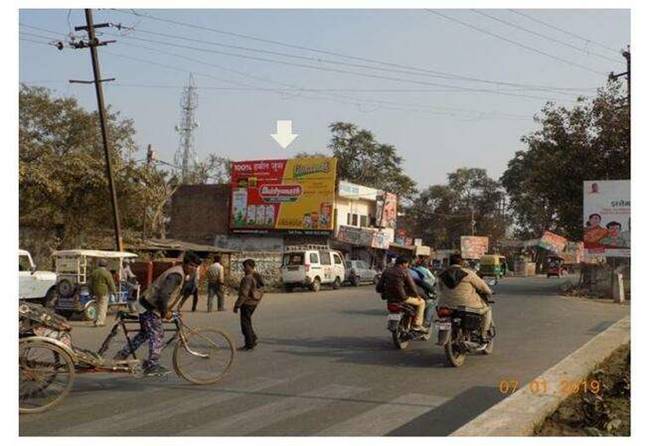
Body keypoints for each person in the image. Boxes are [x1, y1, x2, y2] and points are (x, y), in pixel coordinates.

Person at [114, 251, 201, 376]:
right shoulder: (176, 275)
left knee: (144, 334)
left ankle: (122, 354)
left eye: (196, 267)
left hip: (145, 304)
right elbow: (163, 295)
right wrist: (165, 312)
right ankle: (152, 365)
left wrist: (169, 311)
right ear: (185, 264)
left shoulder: (180, 273)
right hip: (150, 307)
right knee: (158, 334)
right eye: (191, 265)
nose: (193, 269)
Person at [437, 253, 494, 339]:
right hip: (466, 305)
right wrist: (489, 292)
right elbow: (483, 287)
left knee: (441, 319)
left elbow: (441, 289)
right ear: (462, 263)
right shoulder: (469, 273)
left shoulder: (442, 274)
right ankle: (483, 334)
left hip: (445, 305)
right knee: (487, 310)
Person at [376, 256, 427, 333]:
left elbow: (379, 287)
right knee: (422, 302)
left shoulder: (387, 271)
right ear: (403, 264)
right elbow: (412, 285)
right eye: (407, 264)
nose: (407, 265)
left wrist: (383, 292)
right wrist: (417, 295)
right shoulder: (404, 271)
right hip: (403, 298)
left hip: (390, 298)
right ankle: (417, 325)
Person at [234, 259, 265, 351]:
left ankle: (249, 344)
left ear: (249, 266)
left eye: (245, 267)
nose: (244, 269)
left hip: (247, 303)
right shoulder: (257, 276)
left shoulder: (248, 278)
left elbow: (244, 294)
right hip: (254, 302)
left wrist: (237, 305)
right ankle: (252, 338)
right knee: (247, 322)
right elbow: (262, 289)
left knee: (245, 325)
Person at [89, 259, 116, 327]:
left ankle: (95, 320)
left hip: (95, 291)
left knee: (97, 306)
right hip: (104, 292)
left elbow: (90, 283)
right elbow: (111, 283)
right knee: (103, 307)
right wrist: (114, 292)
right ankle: (100, 322)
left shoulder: (94, 272)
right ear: (106, 265)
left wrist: (91, 291)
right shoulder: (107, 273)